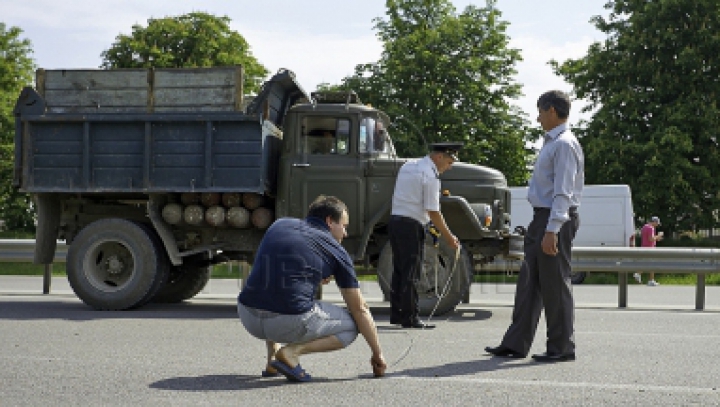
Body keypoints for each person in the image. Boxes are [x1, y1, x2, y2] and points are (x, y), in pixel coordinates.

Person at [237, 195, 387, 382]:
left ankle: (272, 358)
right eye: (344, 226)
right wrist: (377, 353)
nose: (345, 234)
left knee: (274, 284)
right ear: (330, 221)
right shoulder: (337, 251)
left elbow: (281, 272)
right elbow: (360, 309)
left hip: (247, 315)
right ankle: (291, 353)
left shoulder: (279, 225)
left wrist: (313, 276)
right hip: (286, 321)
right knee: (352, 326)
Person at [485, 90, 584, 362]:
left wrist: (552, 229)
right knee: (529, 284)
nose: (537, 117)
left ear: (551, 110)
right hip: (542, 217)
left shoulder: (564, 144)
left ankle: (562, 347)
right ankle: (516, 343)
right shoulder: (552, 142)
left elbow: (563, 192)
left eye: (540, 111)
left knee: (555, 285)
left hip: (554, 218)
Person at [388, 142, 462, 329]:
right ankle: (410, 317)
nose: (450, 167)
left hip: (396, 221)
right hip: (411, 226)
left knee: (399, 271)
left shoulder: (408, 165)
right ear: (438, 157)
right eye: (449, 162)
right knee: (412, 273)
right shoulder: (430, 176)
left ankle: (397, 314)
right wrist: (449, 236)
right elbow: (433, 211)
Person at [634, 216, 663, 286]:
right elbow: (651, 239)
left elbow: (648, 238)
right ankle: (648, 279)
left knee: (647, 263)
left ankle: (641, 274)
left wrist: (656, 238)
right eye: (657, 223)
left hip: (644, 247)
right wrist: (659, 236)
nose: (657, 225)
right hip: (649, 248)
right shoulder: (651, 228)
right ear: (654, 222)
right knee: (651, 264)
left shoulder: (645, 227)